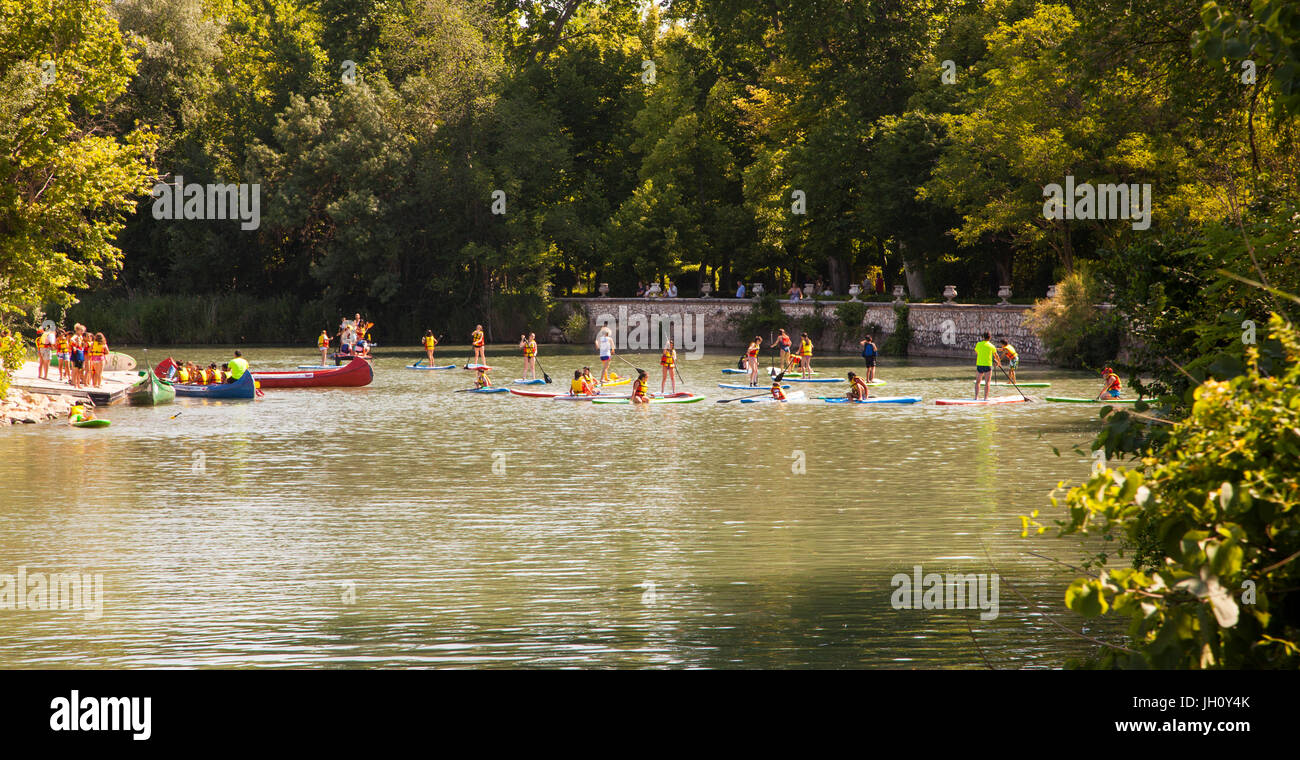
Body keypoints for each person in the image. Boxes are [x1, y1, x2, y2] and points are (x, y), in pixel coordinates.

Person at [974, 331, 996, 400]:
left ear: (983, 337)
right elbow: (995, 355)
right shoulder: (992, 346)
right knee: (987, 383)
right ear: (990, 337)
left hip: (979, 365)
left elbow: (976, 352)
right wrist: (998, 362)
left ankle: (976, 397)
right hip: (988, 365)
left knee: (978, 382)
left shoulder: (978, 344)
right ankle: (985, 398)